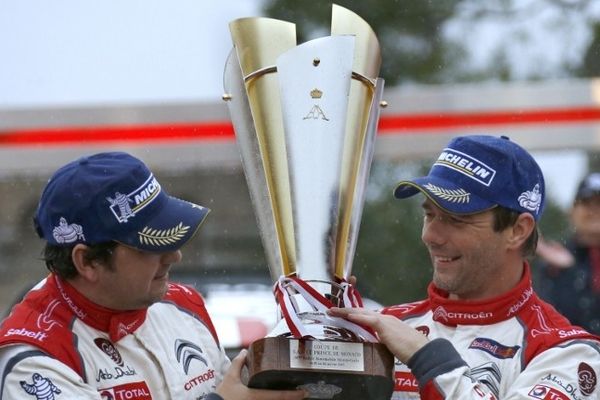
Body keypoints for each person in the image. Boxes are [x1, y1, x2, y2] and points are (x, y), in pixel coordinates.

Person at [0, 152, 304, 400]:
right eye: (149, 246)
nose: (175, 256)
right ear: (86, 261)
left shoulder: (184, 305)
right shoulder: (34, 361)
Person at [330, 135, 600, 399]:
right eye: (429, 214)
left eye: (456, 219)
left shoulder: (569, 353)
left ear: (518, 230)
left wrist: (426, 358)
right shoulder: (381, 327)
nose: (430, 236)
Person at [536, 172, 600, 334]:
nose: (594, 210)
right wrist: (569, 271)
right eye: (587, 203)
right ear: (572, 211)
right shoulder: (554, 259)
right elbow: (552, 321)